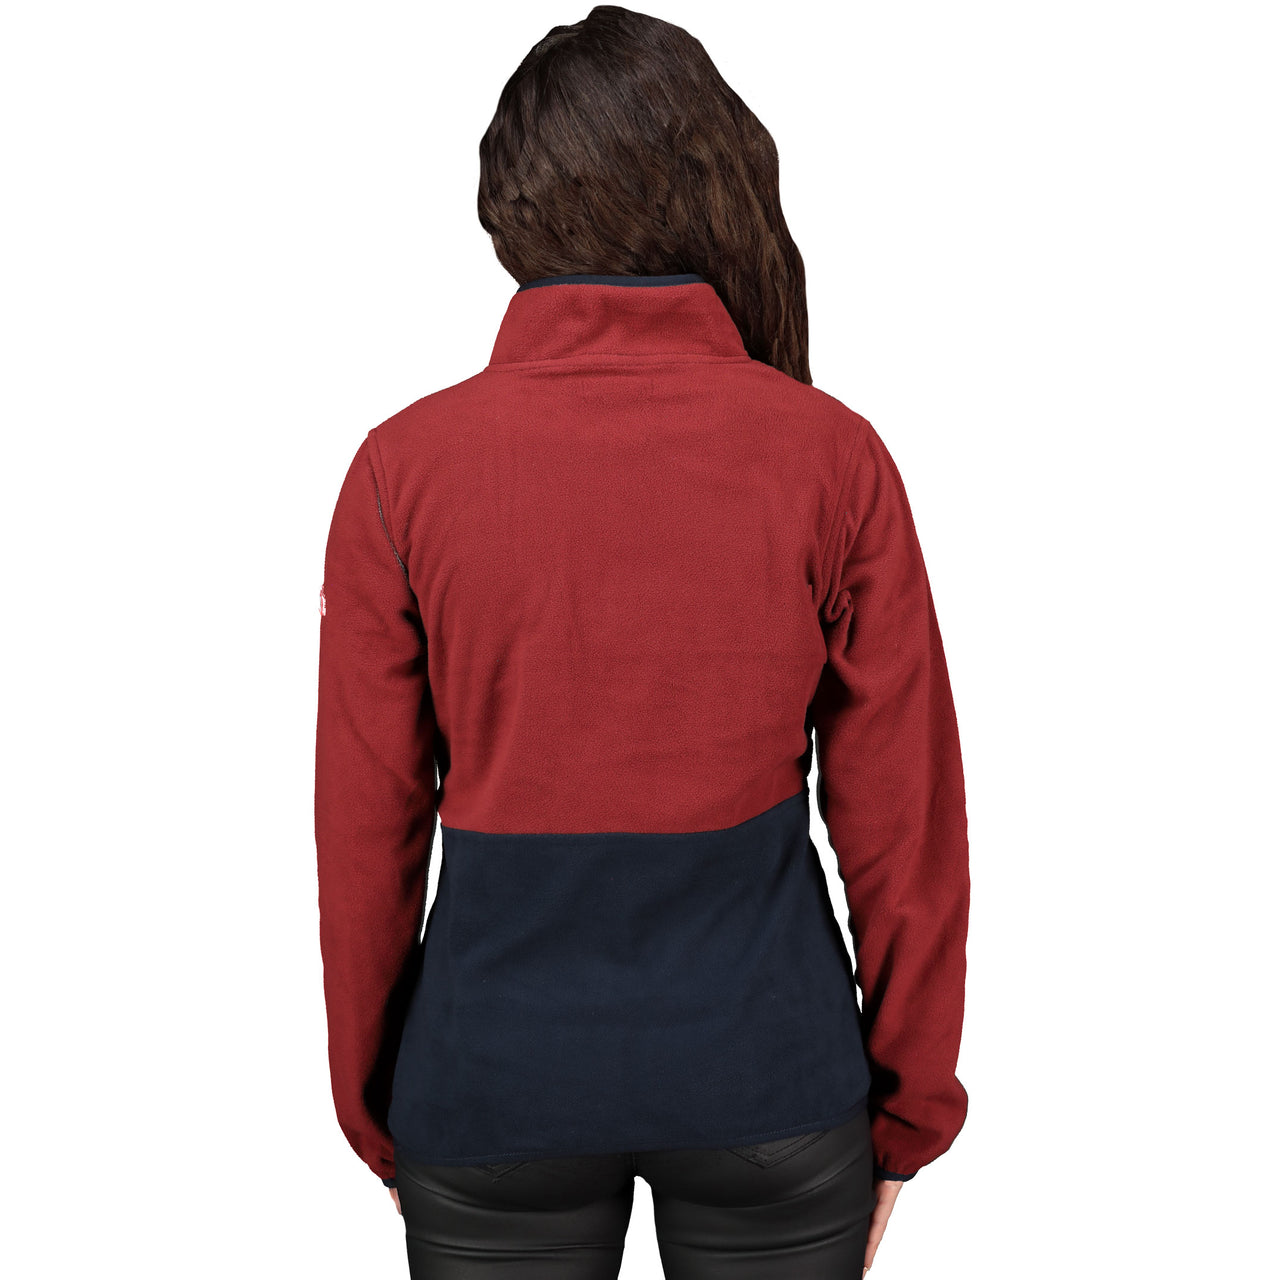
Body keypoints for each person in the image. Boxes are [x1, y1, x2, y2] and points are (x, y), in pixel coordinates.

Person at [314, 7, 971, 1277]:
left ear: (512, 209)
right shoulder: (831, 456)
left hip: (489, 1081)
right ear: (719, 180)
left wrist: (377, 1104)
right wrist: (906, 1113)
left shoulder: (402, 470)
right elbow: (906, 827)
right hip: (770, 1078)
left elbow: (364, 829)